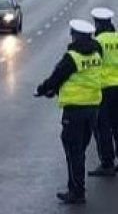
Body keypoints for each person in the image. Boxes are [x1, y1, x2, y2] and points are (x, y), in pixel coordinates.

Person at [35, 19, 103, 204]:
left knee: (74, 151)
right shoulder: (97, 52)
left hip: (74, 110)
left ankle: (77, 191)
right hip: (93, 107)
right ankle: (76, 188)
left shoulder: (72, 57)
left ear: (76, 36)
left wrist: (43, 90)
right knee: (80, 148)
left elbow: (56, 77)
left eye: (73, 34)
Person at [90, 8, 118, 177]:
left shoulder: (97, 42)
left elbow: (93, 65)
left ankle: (107, 163)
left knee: (103, 127)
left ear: (98, 24)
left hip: (104, 89)